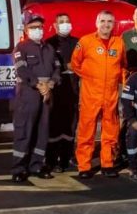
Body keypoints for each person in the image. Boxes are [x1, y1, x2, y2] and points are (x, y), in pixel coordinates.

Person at [70, 10, 126, 179]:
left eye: (109, 21)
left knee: (110, 131)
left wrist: (122, 84)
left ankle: (107, 164)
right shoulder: (85, 41)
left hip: (110, 95)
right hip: (91, 95)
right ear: (96, 23)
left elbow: (122, 66)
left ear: (113, 24)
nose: (106, 25)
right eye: (103, 21)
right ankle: (84, 166)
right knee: (87, 131)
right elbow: (75, 63)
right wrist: (90, 77)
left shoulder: (119, 43)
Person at [11, 13, 62, 182]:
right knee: (24, 130)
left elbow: (57, 69)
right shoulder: (21, 47)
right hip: (28, 94)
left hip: (47, 94)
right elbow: (22, 70)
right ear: (26, 29)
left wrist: (51, 84)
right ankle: (19, 168)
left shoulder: (49, 48)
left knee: (43, 131)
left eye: (40, 27)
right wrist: (39, 85)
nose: (38, 30)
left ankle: (37, 165)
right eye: (33, 27)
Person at [45, 13, 79, 173]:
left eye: (67, 21)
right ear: (55, 25)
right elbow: (48, 66)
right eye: (61, 22)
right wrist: (66, 66)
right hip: (56, 91)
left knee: (70, 125)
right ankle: (51, 159)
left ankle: (66, 159)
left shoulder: (78, 43)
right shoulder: (49, 43)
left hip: (73, 91)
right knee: (54, 125)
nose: (65, 24)